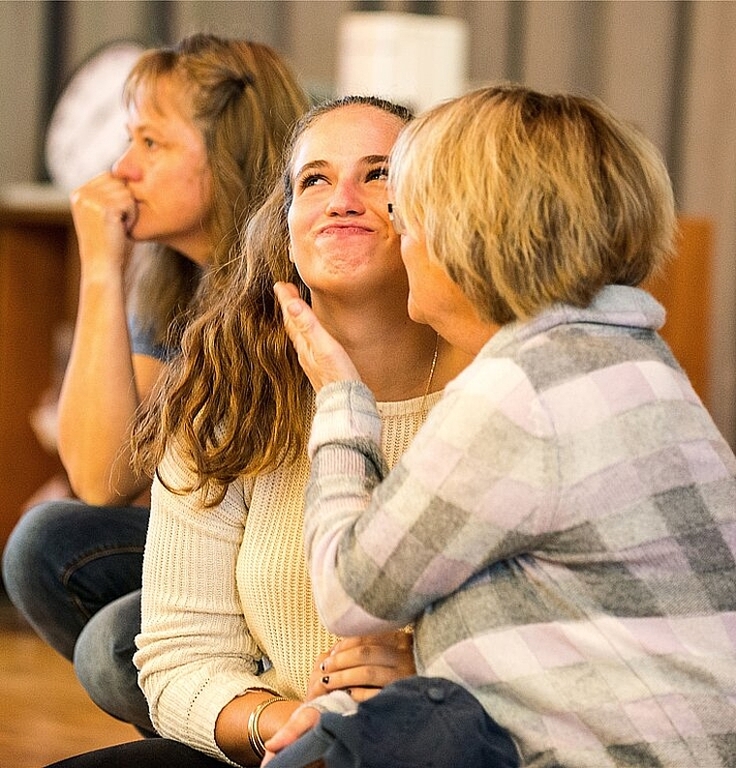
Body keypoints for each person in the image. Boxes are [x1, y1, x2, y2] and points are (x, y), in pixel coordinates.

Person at [268, 84, 736, 767]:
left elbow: (349, 593)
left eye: (409, 213)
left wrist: (340, 398)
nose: (403, 236)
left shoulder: (523, 390)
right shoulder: (635, 362)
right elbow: (516, 621)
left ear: (471, 235)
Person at [42, 95, 473, 768]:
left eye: (379, 173)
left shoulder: (495, 397)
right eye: (315, 179)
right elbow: (178, 657)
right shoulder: (226, 393)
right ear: (287, 223)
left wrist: (427, 675)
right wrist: (284, 722)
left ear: (436, 213)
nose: (343, 199)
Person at [2, 32, 309, 735]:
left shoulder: (298, 272)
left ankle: (256, 722)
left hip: (289, 556)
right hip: (218, 549)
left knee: (117, 648)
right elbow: (101, 474)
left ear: (227, 152)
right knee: (45, 540)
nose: (121, 166)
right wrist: (104, 270)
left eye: (151, 142)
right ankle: (231, 718)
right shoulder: (170, 276)